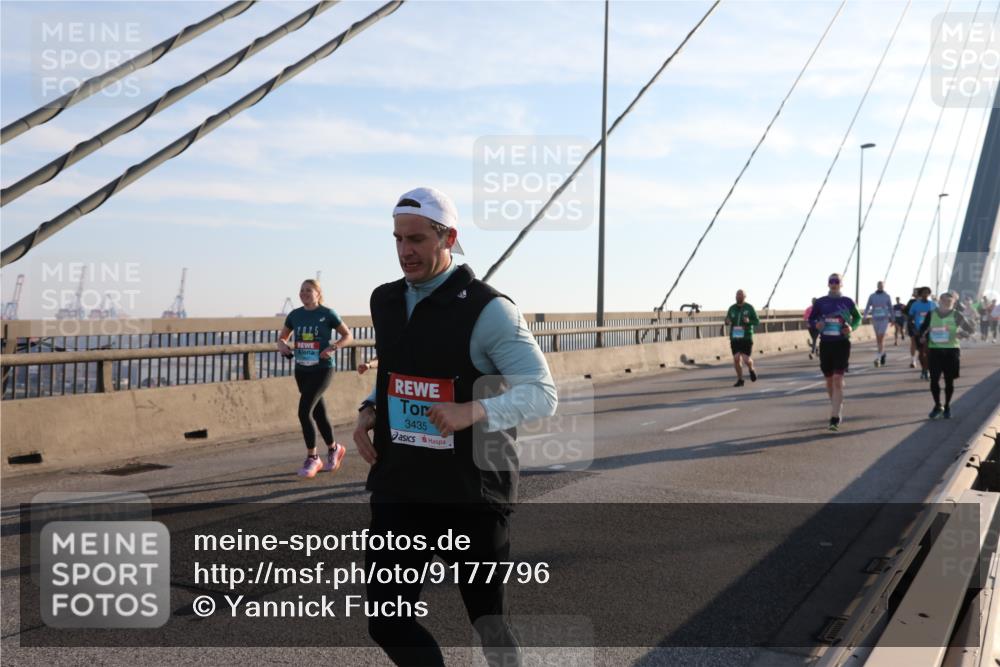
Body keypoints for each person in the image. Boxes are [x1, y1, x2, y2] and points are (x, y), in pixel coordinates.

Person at [352, 186, 558, 666]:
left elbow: (541, 391)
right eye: (398, 239)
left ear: (449, 238)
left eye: (418, 239)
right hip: (402, 484)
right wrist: (369, 409)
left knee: (488, 623)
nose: (405, 251)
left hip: (471, 492)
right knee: (386, 619)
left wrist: (474, 411)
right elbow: (399, 367)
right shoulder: (385, 301)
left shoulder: (489, 310)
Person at [278, 279, 353, 478]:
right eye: (301, 290)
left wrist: (333, 347)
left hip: (323, 369)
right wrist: (282, 345)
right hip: (302, 370)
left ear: (318, 293)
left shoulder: (327, 314)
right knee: (318, 412)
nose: (304, 293)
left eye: (308, 290)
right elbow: (283, 337)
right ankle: (334, 448)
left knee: (304, 412)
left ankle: (313, 458)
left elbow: (348, 335)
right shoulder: (295, 315)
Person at [809, 273, 862, 432]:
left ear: (841, 284)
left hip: (842, 343)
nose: (834, 284)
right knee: (829, 380)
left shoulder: (847, 301)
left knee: (838, 378)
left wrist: (851, 327)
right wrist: (816, 324)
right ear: (828, 284)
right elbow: (811, 319)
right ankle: (836, 404)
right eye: (831, 281)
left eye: (836, 281)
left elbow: (857, 318)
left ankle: (834, 416)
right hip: (826, 343)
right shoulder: (820, 302)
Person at [919, 291, 976, 419]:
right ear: (939, 302)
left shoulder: (957, 315)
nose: (946, 303)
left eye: (949, 302)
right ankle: (937, 405)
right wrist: (923, 337)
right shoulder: (931, 314)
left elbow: (970, 330)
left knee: (949, 381)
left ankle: (947, 406)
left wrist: (961, 334)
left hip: (951, 351)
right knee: (934, 380)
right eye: (944, 301)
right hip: (935, 351)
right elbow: (922, 329)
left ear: (953, 303)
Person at [725, 289, 759, 387]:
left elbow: (757, 321)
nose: (738, 296)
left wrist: (749, 321)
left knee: (746, 359)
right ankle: (740, 379)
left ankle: (751, 369)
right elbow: (727, 319)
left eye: (740, 295)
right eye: (737, 295)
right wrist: (727, 321)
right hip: (735, 335)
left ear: (744, 297)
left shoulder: (749, 307)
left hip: (746, 336)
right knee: (736, 358)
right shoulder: (732, 308)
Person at [907, 287, 937, 380]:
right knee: (921, 353)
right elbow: (910, 319)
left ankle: (926, 370)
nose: (925, 294)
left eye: (927, 293)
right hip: (919, 331)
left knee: (927, 352)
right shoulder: (915, 305)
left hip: (930, 331)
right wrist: (913, 329)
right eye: (924, 293)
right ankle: (924, 369)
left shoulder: (933, 304)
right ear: (920, 294)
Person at [864, 281, 893, 367]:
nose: (880, 286)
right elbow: (868, 306)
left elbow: (891, 308)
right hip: (875, 319)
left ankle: (878, 358)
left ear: (884, 286)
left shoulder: (887, 296)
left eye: (882, 285)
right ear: (877, 286)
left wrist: (893, 318)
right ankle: (883, 353)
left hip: (884, 319)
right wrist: (865, 315)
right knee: (878, 339)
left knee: (881, 336)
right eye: (879, 285)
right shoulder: (872, 296)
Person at [903, 288, 919, 367]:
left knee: (924, 344)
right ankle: (913, 360)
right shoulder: (911, 302)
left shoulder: (927, 303)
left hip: (924, 325)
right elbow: (905, 312)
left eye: (917, 292)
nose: (915, 294)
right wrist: (908, 320)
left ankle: (922, 356)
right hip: (912, 325)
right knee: (913, 341)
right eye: (914, 293)